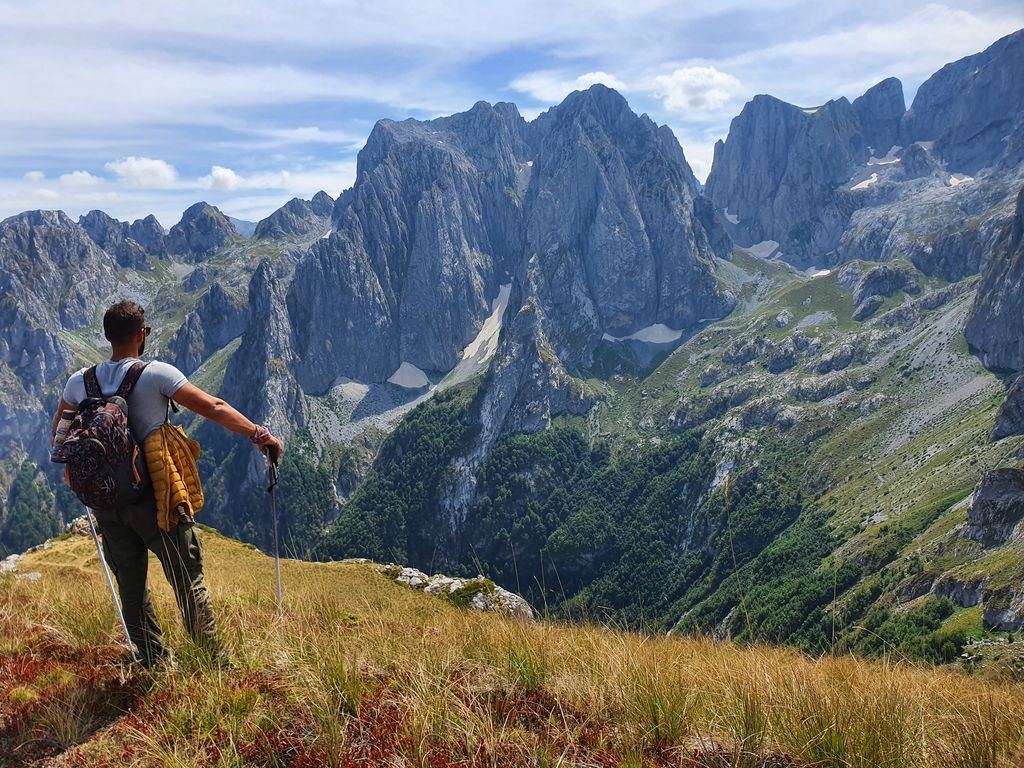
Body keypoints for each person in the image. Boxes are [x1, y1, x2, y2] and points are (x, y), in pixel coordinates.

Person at [51, 300, 284, 667]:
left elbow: (60, 437)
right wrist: (260, 434)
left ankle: (155, 663)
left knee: (130, 584)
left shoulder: (78, 382)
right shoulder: (155, 373)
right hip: (156, 496)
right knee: (188, 581)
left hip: (107, 503)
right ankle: (214, 666)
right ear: (141, 334)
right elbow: (214, 407)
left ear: (107, 336)